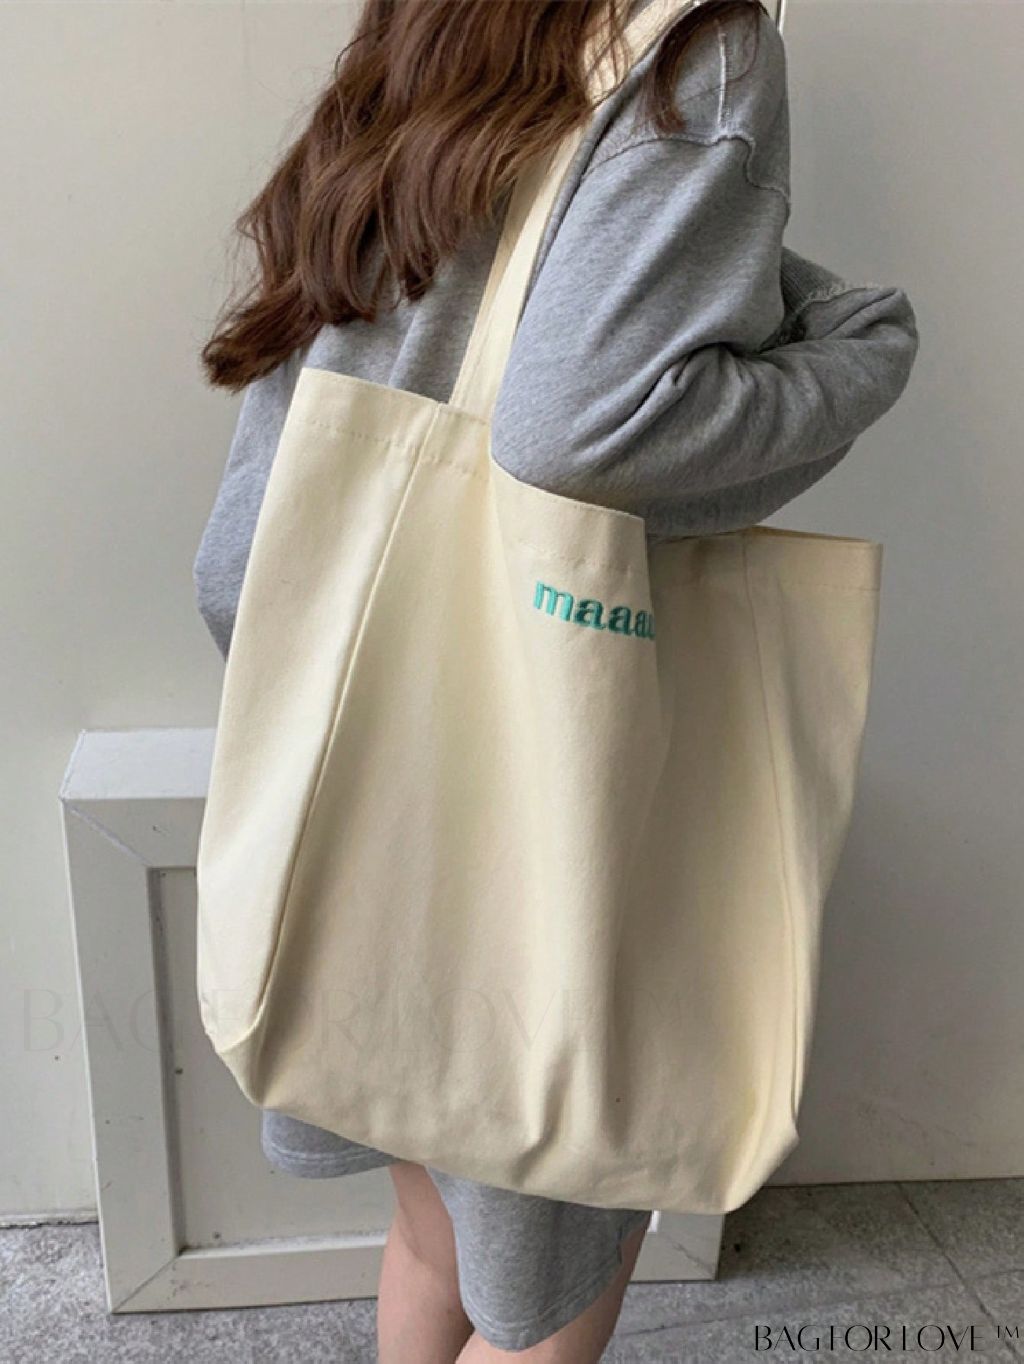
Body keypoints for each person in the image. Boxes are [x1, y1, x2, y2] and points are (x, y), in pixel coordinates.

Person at [192, 0, 920, 1357]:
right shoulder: (701, 49)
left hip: (367, 788)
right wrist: (857, 354)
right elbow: (579, 434)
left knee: (430, 1235)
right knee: (544, 1306)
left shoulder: (446, 23)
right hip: (543, 826)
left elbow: (244, 558)